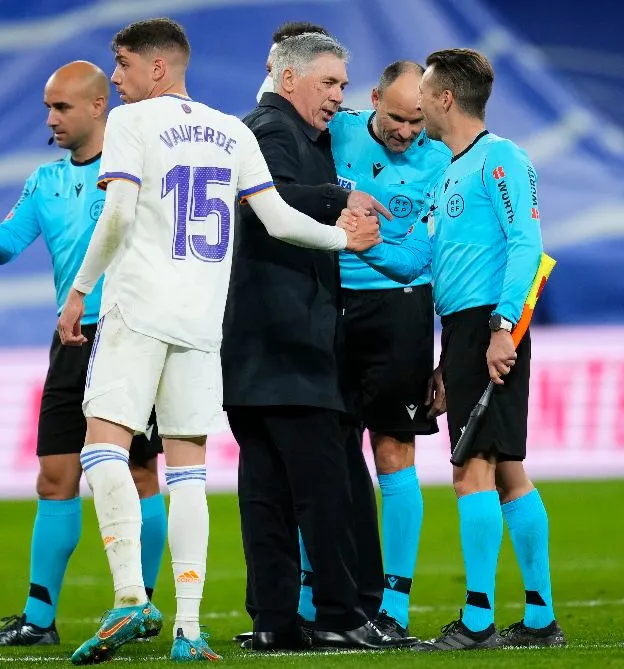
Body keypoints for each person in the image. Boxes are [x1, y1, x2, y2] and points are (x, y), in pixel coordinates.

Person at [57, 18, 374, 664]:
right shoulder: (230, 129)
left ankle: (128, 595)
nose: (113, 78)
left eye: (120, 65)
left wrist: (80, 289)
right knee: (189, 470)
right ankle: (188, 628)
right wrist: (344, 237)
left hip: (141, 307)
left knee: (101, 448)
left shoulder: (131, 125)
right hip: (202, 322)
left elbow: (118, 214)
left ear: (156, 68)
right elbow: (279, 219)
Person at [0, 61, 169, 649]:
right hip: (70, 343)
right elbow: (7, 246)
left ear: (98, 106)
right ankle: (38, 619)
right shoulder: (45, 181)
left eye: (61, 107)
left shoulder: (139, 167)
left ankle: (137, 606)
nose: (50, 119)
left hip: (131, 335)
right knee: (55, 478)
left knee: (141, 473)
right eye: (47, 107)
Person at [349, 47, 565, 651]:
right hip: (464, 331)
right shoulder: (449, 170)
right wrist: (359, 245)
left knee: (471, 472)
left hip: (490, 325)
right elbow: (423, 259)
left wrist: (501, 328)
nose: (417, 103)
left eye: (426, 93)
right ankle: (541, 618)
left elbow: (526, 244)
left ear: (445, 98)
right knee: (506, 471)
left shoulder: (502, 159)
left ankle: (476, 622)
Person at [222, 31, 407, 653]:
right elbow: (263, 203)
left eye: (342, 86)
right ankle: (340, 612)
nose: (337, 97)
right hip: (290, 345)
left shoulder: (287, 130)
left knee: (266, 495)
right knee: (325, 491)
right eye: (328, 83)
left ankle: (274, 620)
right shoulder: (272, 130)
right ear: (289, 78)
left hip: (256, 351)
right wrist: (339, 198)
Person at [293, 60, 451, 642]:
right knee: (323, 455)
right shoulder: (335, 130)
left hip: (400, 312)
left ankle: (394, 607)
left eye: (418, 121)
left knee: (393, 453)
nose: (408, 132)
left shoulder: (442, 161)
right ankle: (313, 600)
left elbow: (430, 256)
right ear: (374, 97)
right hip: (328, 304)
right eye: (397, 117)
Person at [254, 22, 331, 104]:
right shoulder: (261, 116)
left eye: (284, 71)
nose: (270, 80)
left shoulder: (344, 116)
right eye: (270, 71)